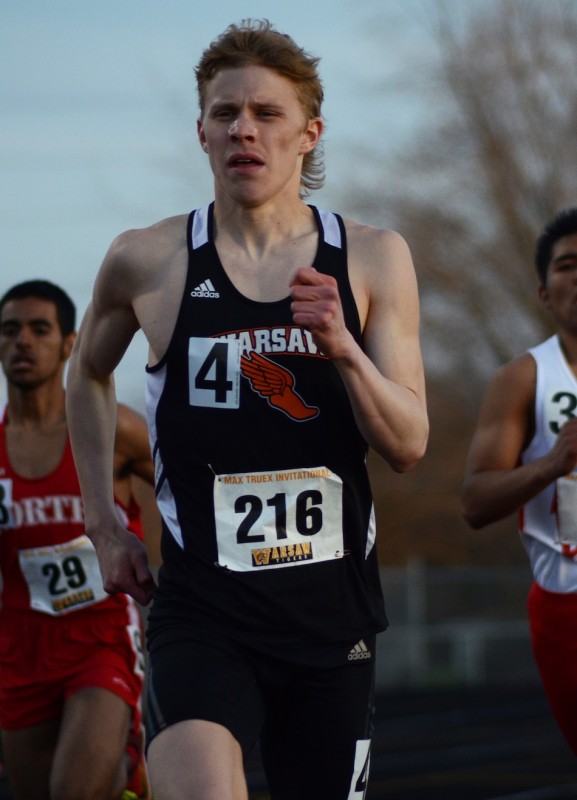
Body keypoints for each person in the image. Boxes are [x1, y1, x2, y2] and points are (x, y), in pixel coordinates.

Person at [65, 19, 428, 800]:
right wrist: (102, 524)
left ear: (309, 133)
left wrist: (343, 347)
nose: (244, 129)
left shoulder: (370, 256)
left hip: (331, 619)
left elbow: (407, 444)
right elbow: (85, 374)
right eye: (225, 112)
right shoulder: (149, 259)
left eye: (266, 113)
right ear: (200, 130)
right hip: (203, 612)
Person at [0, 279, 155, 800]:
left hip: (101, 635)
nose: (23, 341)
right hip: (19, 646)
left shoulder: (115, 430)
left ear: (69, 344)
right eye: (9, 330)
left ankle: (125, 769)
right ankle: (124, 784)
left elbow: (195, 490)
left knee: (73, 792)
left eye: (39, 329)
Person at [462, 207, 577, 756]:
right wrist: (551, 465)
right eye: (568, 265)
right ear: (544, 292)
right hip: (567, 601)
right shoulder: (524, 378)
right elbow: (475, 501)